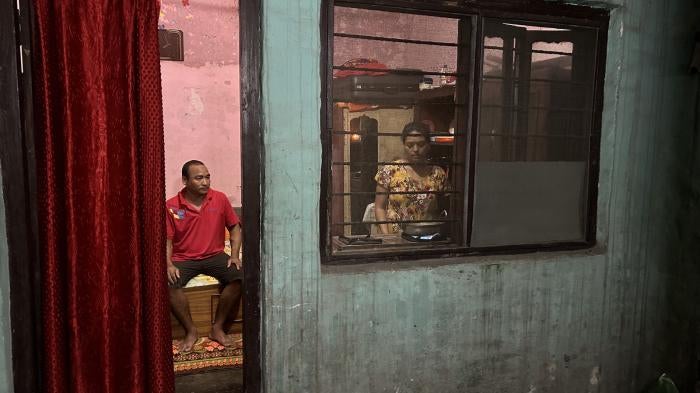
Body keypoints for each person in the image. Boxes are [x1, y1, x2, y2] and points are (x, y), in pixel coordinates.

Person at [166, 160, 242, 352]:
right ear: (185, 180)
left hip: (214, 255)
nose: (205, 182)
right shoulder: (173, 206)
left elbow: (234, 228)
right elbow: (167, 239)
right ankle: (191, 330)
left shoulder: (219, 199)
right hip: (184, 258)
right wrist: (168, 264)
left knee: (239, 276)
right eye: (199, 178)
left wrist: (234, 255)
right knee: (167, 282)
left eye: (207, 177)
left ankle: (217, 328)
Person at [374, 122, 448, 234]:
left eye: (421, 144)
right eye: (410, 145)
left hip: (427, 237)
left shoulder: (438, 173)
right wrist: (386, 236)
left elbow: (444, 209)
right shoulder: (390, 170)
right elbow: (380, 207)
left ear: (428, 145)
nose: (415, 149)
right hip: (395, 239)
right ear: (404, 145)